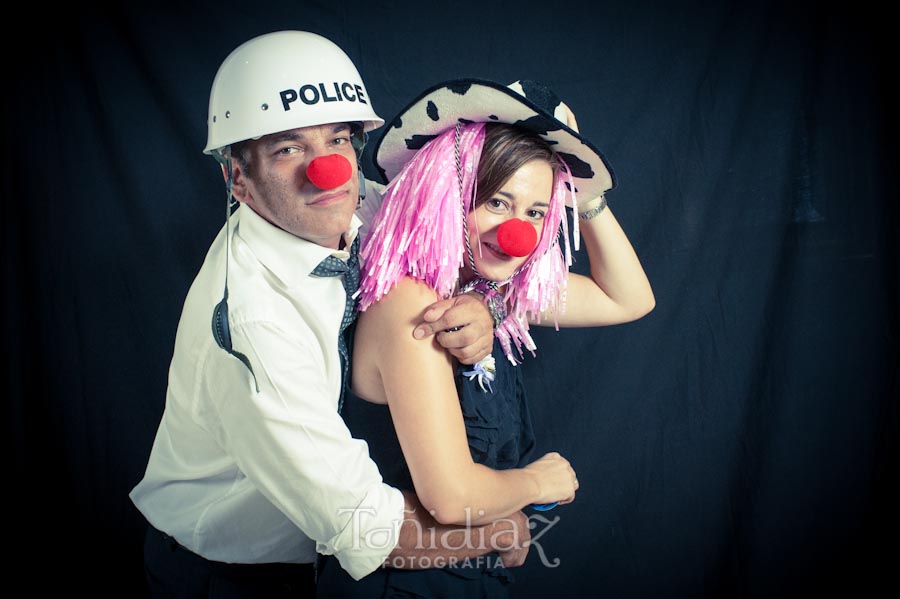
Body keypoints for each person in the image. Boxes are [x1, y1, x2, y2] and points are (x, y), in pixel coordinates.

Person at [130, 33, 537, 598]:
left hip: (322, 558)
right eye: (287, 149)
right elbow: (366, 530)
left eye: (339, 138)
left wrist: (481, 306)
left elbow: (477, 251)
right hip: (233, 577)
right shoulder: (253, 324)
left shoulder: (361, 204)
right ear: (237, 179)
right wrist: (505, 526)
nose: (328, 171)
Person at [316, 79, 655, 597]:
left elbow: (627, 299)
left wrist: (584, 192)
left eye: (536, 213)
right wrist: (541, 484)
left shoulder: (489, 292)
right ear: (445, 195)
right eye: (497, 202)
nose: (516, 232)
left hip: (471, 577)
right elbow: (452, 498)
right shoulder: (408, 302)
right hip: (404, 586)